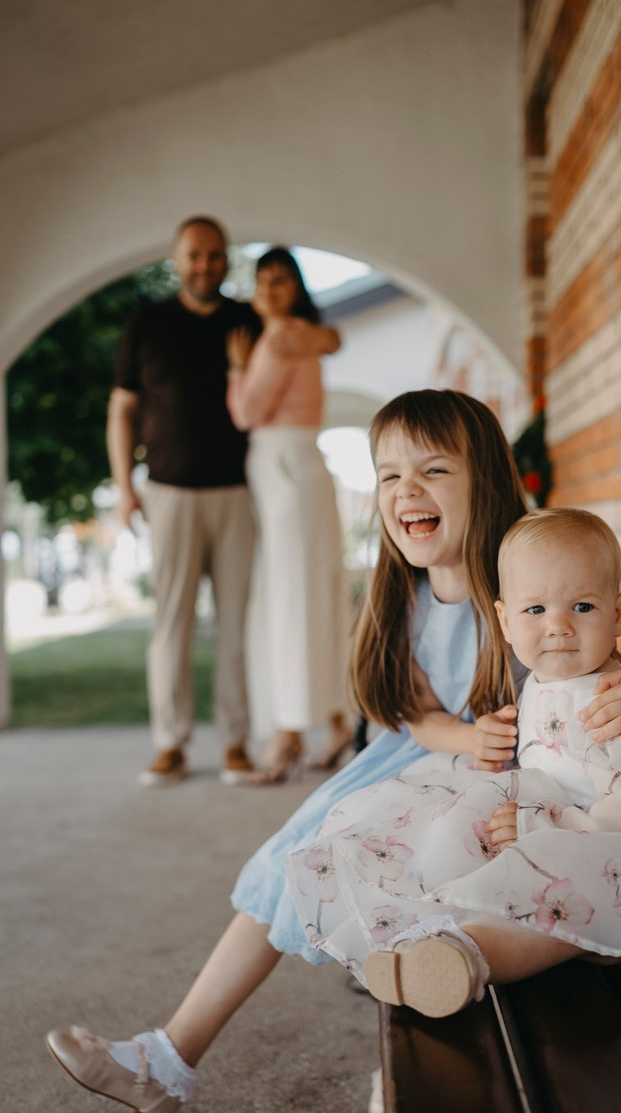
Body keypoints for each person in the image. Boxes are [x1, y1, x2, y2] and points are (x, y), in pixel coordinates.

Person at [46, 392, 621, 1113]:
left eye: (434, 470)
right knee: (292, 861)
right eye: (389, 476)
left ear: (484, 481)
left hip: (500, 786)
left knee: (416, 881)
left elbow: (613, 672)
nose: (407, 489)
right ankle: (169, 1057)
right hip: (420, 759)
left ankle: (415, 1066)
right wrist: (461, 737)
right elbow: (413, 710)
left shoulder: (527, 584)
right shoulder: (406, 593)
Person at [290, 508, 621, 1040]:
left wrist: (549, 826)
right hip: (562, 821)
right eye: (535, 609)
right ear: (506, 621)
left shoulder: (618, 702)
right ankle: (426, 945)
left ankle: (466, 959)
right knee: (456, 837)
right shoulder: (543, 678)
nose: (558, 626)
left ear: (618, 614)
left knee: (554, 913)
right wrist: (499, 744)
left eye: (582, 607)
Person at [107, 217, 339, 786]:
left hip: (239, 491)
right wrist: (123, 486)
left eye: (213, 255)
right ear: (177, 259)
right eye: (194, 255)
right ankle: (170, 744)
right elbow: (122, 408)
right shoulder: (148, 322)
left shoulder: (245, 317)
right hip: (168, 490)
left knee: (238, 621)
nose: (204, 265)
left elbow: (314, 333)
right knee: (172, 622)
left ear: (224, 260)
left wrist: (322, 339)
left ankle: (236, 742)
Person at [226, 247, 350, 781]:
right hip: (293, 469)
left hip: (284, 467)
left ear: (295, 287)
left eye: (280, 279)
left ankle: (291, 732)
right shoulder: (302, 334)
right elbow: (333, 338)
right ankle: (336, 720)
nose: (269, 289)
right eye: (262, 279)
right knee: (308, 592)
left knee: (292, 598)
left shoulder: (280, 336)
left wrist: (236, 368)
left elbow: (246, 411)